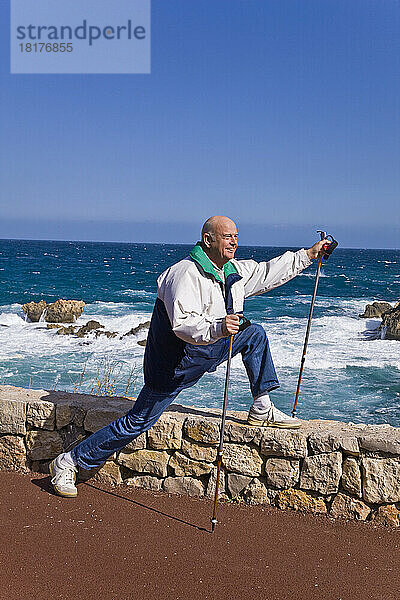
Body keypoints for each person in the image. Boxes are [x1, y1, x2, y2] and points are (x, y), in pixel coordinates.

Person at [49, 216, 327, 497]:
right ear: (208, 240)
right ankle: (67, 462)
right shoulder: (182, 274)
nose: (234, 241)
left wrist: (308, 255)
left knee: (253, 334)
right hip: (174, 366)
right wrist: (219, 327)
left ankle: (261, 407)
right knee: (136, 423)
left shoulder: (232, 271)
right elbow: (183, 325)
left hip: (206, 351)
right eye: (227, 236)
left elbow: (268, 271)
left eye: (236, 236)